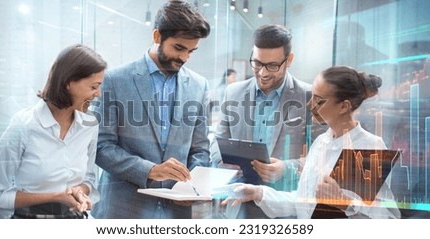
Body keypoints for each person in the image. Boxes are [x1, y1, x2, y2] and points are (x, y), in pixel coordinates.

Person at [221, 66, 401, 219]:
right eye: (312, 97)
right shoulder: (321, 143)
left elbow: (387, 220)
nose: (310, 105)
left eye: (319, 101)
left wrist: (345, 204)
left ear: (344, 106)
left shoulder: (368, 147)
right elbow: (302, 202)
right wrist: (258, 192)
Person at [90, 0, 211, 219]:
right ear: (157, 36)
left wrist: (194, 184)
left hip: (177, 213)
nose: (184, 58)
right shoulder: (114, 80)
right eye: (179, 48)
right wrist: (149, 170)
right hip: (124, 211)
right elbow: (100, 146)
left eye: (191, 51)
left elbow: (200, 149)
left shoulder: (199, 85)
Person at [0, 44, 107, 218]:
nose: (98, 94)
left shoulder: (90, 124)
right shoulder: (23, 126)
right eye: (94, 87)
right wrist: (56, 197)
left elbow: (89, 179)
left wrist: (79, 191)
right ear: (69, 82)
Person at [210, 24, 312, 218]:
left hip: (285, 207)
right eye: (257, 63)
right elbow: (217, 140)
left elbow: (321, 158)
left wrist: (286, 168)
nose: (263, 73)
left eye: (272, 66)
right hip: (238, 206)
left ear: (289, 60)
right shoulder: (233, 92)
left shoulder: (309, 96)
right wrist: (221, 160)